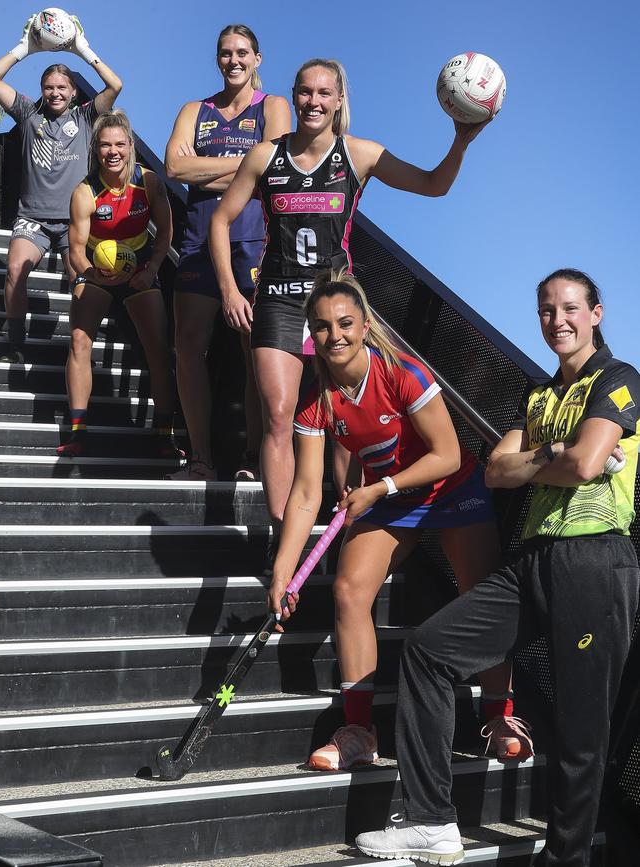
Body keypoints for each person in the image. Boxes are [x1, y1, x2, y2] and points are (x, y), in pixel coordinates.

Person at [355, 269, 640, 866]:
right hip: (533, 561)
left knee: (581, 733)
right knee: (430, 651)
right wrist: (552, 454)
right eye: (545, 310)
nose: (556, 320)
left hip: (594, 562)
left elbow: (587, 465)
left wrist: (552, 459)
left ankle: (567, 859)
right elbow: (493, 470)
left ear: (596, 314)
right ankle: (432, 823)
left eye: (569, 309)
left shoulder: (618, 379)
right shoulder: (539, 396)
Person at [210, 57, 489, 564]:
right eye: (305, 92)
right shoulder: (263, 157)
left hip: (338, 306)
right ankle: (282, 539)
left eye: (324, 93)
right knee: (278, 415)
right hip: (277, 298)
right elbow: (220, 221)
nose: (313, 102)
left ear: (339, 101)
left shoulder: (359, 155)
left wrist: (461, 142)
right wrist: (230, 289)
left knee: (345, 426)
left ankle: (348, 529)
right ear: (293, 97)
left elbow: (433, 184)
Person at [268, 270, 528, 773]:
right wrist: (283, 569)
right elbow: (304, 494)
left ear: (365, 326)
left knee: (483, 595)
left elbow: (449, 455)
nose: (335, 336)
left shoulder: (404, 373)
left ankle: (500, 717)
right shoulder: (315, 403)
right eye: (322, 327)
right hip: (387, 497)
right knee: (348, 590)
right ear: (312, 335)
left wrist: (378, 488)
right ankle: (360, 732)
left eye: (346, 323)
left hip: (448, 489)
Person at [164, 24, 291, 481]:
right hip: (199, 240)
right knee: (187, 348)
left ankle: (256, 462)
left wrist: (208, 173)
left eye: (242, 53)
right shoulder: (194, 110)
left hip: (255, 242)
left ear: (257, 58)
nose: (233, 60)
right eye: (225, 53)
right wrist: (245, 168)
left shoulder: (273, 106)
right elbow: (175, 166)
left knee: (254, 350)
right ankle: (200, 458)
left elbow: (275, 166)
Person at [0, 14, 122, 363]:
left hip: (72, 223)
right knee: (15, 270)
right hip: (32, 218)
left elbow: (115, 87)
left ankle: (82, 347)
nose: (55, 93)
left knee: (83, 284)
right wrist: (24, 49)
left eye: (62, 88)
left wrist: (83, 50)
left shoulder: (84, 117)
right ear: (42, 90)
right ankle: (15, 342)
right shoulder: (28, 113)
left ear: (73, 92)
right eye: (49, 87)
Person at [57, 110, 180, 460]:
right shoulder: (84, 192)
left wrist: (152, 267)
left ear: (131, 147)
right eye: (105, 145)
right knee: (79, 338)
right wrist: (93, 275)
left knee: (158, 347)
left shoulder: (150, 182)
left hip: (140, 265)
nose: (113, 152)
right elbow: (77, 252)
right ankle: (77, 430)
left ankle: (163, 434)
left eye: (120, 144)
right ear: (95, 149)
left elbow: (166, 232)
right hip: (98, 268)